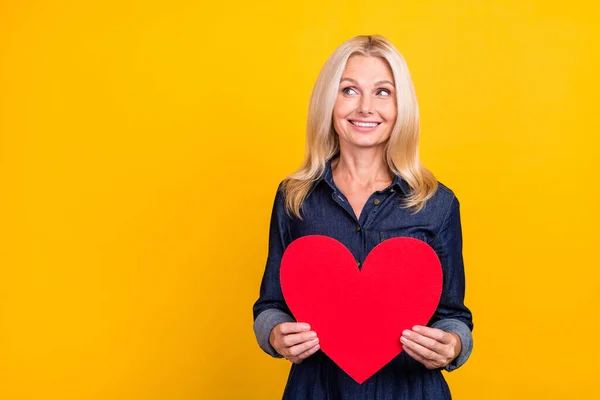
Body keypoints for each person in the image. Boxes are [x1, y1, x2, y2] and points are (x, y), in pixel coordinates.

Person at [252, 34, 473, 400]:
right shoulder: (295, 197)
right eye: (349, 90)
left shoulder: (437, 203)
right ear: (329, 101)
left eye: (383, 92)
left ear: (401, 106)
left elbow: (454, 316)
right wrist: (275, 334)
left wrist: (452, 345)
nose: (366, 107)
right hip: (317, 390)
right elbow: (270, 306)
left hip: (410, 390)